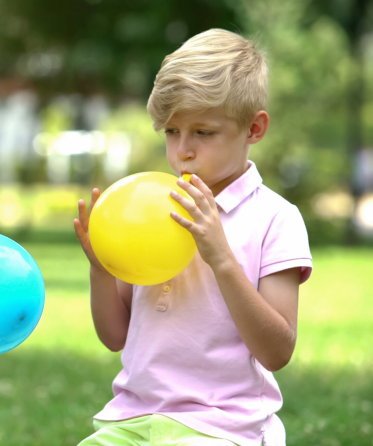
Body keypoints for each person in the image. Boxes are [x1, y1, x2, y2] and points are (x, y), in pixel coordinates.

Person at [74, 29, 312, 446]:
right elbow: (115, 336)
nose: (183, 150)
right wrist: (101, 270)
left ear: (253, 129)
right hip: (132, 420)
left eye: (203, 133)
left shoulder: (276, 218)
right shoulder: (149, 207)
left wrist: (220, 256)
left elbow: (277, 351)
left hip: (222, 429)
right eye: (171, 131)